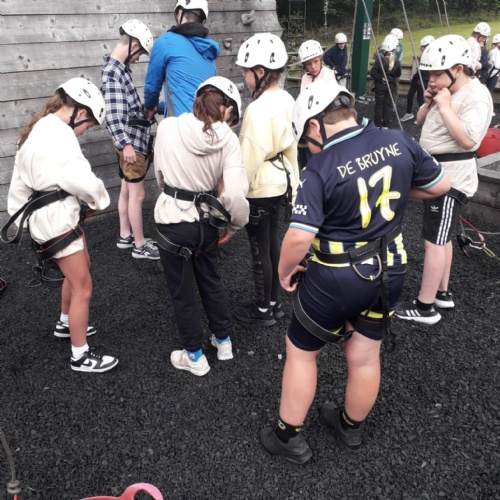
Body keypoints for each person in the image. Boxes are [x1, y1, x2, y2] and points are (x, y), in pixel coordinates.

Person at [259, 80, 451, 464]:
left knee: (301, 352)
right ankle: (350, 426)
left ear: (315, 125)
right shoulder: (398, 140)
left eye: (307, 140)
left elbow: (299, 236)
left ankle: (288, 436)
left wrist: (283, 272)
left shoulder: (320, 168)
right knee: (365, 355)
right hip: (391, 268)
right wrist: (396, 191)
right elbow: (441, 184)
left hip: (335, 277)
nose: (309, 148)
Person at [5, 78, 118, 373]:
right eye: (88, 125)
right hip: (58, 219)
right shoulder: (61, 135)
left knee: (79, 270)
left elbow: (18, 184)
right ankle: (80, 356)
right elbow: (81, 179)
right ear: (81, 112)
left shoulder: (37, 129)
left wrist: (25, 220)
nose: (84, 131)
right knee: (83, 287)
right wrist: (98, 200)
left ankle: (66, 323)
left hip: (47, 219)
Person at [153, 76, 249, 376]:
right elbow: (235, 194)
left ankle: (194, 357)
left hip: (172, 220)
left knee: (182, 292)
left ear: (198, 101)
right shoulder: (229, 140)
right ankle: (224, 342)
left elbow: (160, 177)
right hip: (206, 221)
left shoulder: (167, 127)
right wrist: (233, 227)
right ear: (228, 109)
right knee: (211, 280)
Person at [395, 35, 493, 324]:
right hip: (436, 173)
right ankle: (441, 293)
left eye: (437, 74)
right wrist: (428, 104)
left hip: (452, 177)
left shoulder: (476, 95)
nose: (432, 79)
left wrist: (447, 106)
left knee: (434, 242)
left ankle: (425, 307)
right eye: (430, 74)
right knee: (443, 237)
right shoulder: (445, 90)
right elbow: (422, 123)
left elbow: (468, 141)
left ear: (458, 69)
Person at [233, 33, 299, 327]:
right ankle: (273, 303)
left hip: (260, 186)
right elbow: (293, 148)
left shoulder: (257, 108)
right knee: (272, 244)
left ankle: (262, 310)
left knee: (259, 249)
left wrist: (231, 199)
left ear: (260, 71)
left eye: (246, 71)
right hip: (282, 182)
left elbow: (248, 160)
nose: (244, 76)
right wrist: (295, 188)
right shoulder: (287, 98)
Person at [101, 19, 160, 260]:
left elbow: (124, 109)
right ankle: (140, 245)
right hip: (131, 144)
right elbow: (113, 115)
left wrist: (144, 110)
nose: (137, 59)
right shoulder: (113, 73)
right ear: (134, 45)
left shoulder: (117, 70)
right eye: (140, 54)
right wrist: (125, 144)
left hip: (130, 141)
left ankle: (125, 235)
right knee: (138, 195)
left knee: (126, 189)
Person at [143, 0, 219, 119]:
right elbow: (190, 99)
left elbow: (152, 87)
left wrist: (149, 107)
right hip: (206, 126)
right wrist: (160, 108)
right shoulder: (209, 53)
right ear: (203, 22)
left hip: (181, 127)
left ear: (179, 13)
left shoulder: (166, 42)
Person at [297, 39, 336, 170]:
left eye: (316, 61)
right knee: (305, 154)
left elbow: (329, 100)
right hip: (309, 123)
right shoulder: (305, 78)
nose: (313, 66)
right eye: (309, 64)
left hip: (325, 122)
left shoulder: (327, 74)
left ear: (320, 59)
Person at [370, 35, 401, 128]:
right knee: (387, 105)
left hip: (380, 86)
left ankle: (377, 124)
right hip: (390, 86)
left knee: (379, 105)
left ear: (384, 51)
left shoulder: (380, 61)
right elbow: (398, 74)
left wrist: (381, 77)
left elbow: (372, 72)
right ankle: (385, 124)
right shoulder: (396, 62)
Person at [401, 35, 434, 122]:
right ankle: (408, 113)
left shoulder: (431, 57)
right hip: (418, 78)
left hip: (424, 79)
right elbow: (420, 70)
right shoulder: (423, 55)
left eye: (422, 46)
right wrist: (415, 77)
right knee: (410, 95)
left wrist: (418, 78)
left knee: (420, 98)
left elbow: (425, 72)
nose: (421, 48)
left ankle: (422, 117)